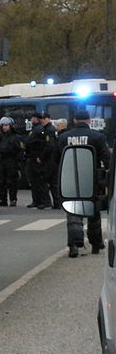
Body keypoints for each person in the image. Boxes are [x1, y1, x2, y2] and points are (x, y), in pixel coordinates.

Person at [58, 109, 111, 258]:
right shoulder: (98, 137)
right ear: (89, 120)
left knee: (73, 211)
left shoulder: (64, 137)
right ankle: (95, 244)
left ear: (74, 120)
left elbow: (57, 159)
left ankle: (74, 245)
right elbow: (107, 159)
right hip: (92, 180)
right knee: (93, 213)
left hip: (70, 179)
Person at [0, 116, 24, 207]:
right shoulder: (1, 136)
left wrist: (18, 163)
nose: (4, 127)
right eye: (3, 125)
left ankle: (13, 199)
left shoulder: (14, 137)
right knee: (2, 182)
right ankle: (3, 199)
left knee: (12, 182)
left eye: (6, 125)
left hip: (11, 162)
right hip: (2, 162)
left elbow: (19, 151)